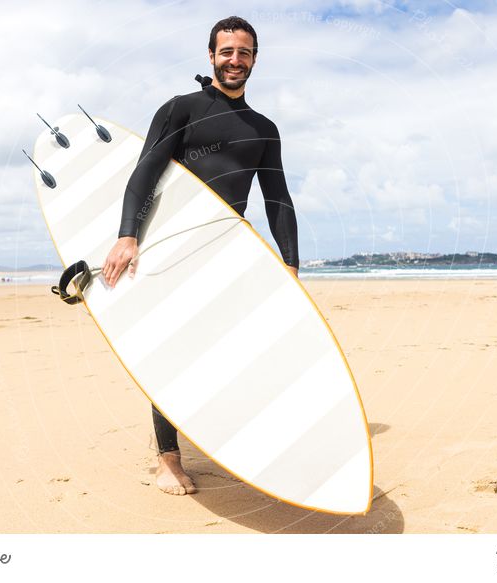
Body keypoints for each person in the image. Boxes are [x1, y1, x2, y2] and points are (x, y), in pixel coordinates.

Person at [102, 16, 299, 496]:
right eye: (227, 51)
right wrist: (128, 235)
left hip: (229, 253)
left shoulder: (264, 129)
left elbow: (278, 198)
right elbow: (145, 171)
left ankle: (218, 433)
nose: (235, 60)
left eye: (245, 52)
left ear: (255, 59)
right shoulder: (181, 110)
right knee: (168, 352)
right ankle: (168, 461)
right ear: (211, 56)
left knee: (225, 351)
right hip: (173, 248)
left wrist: (290, 263)